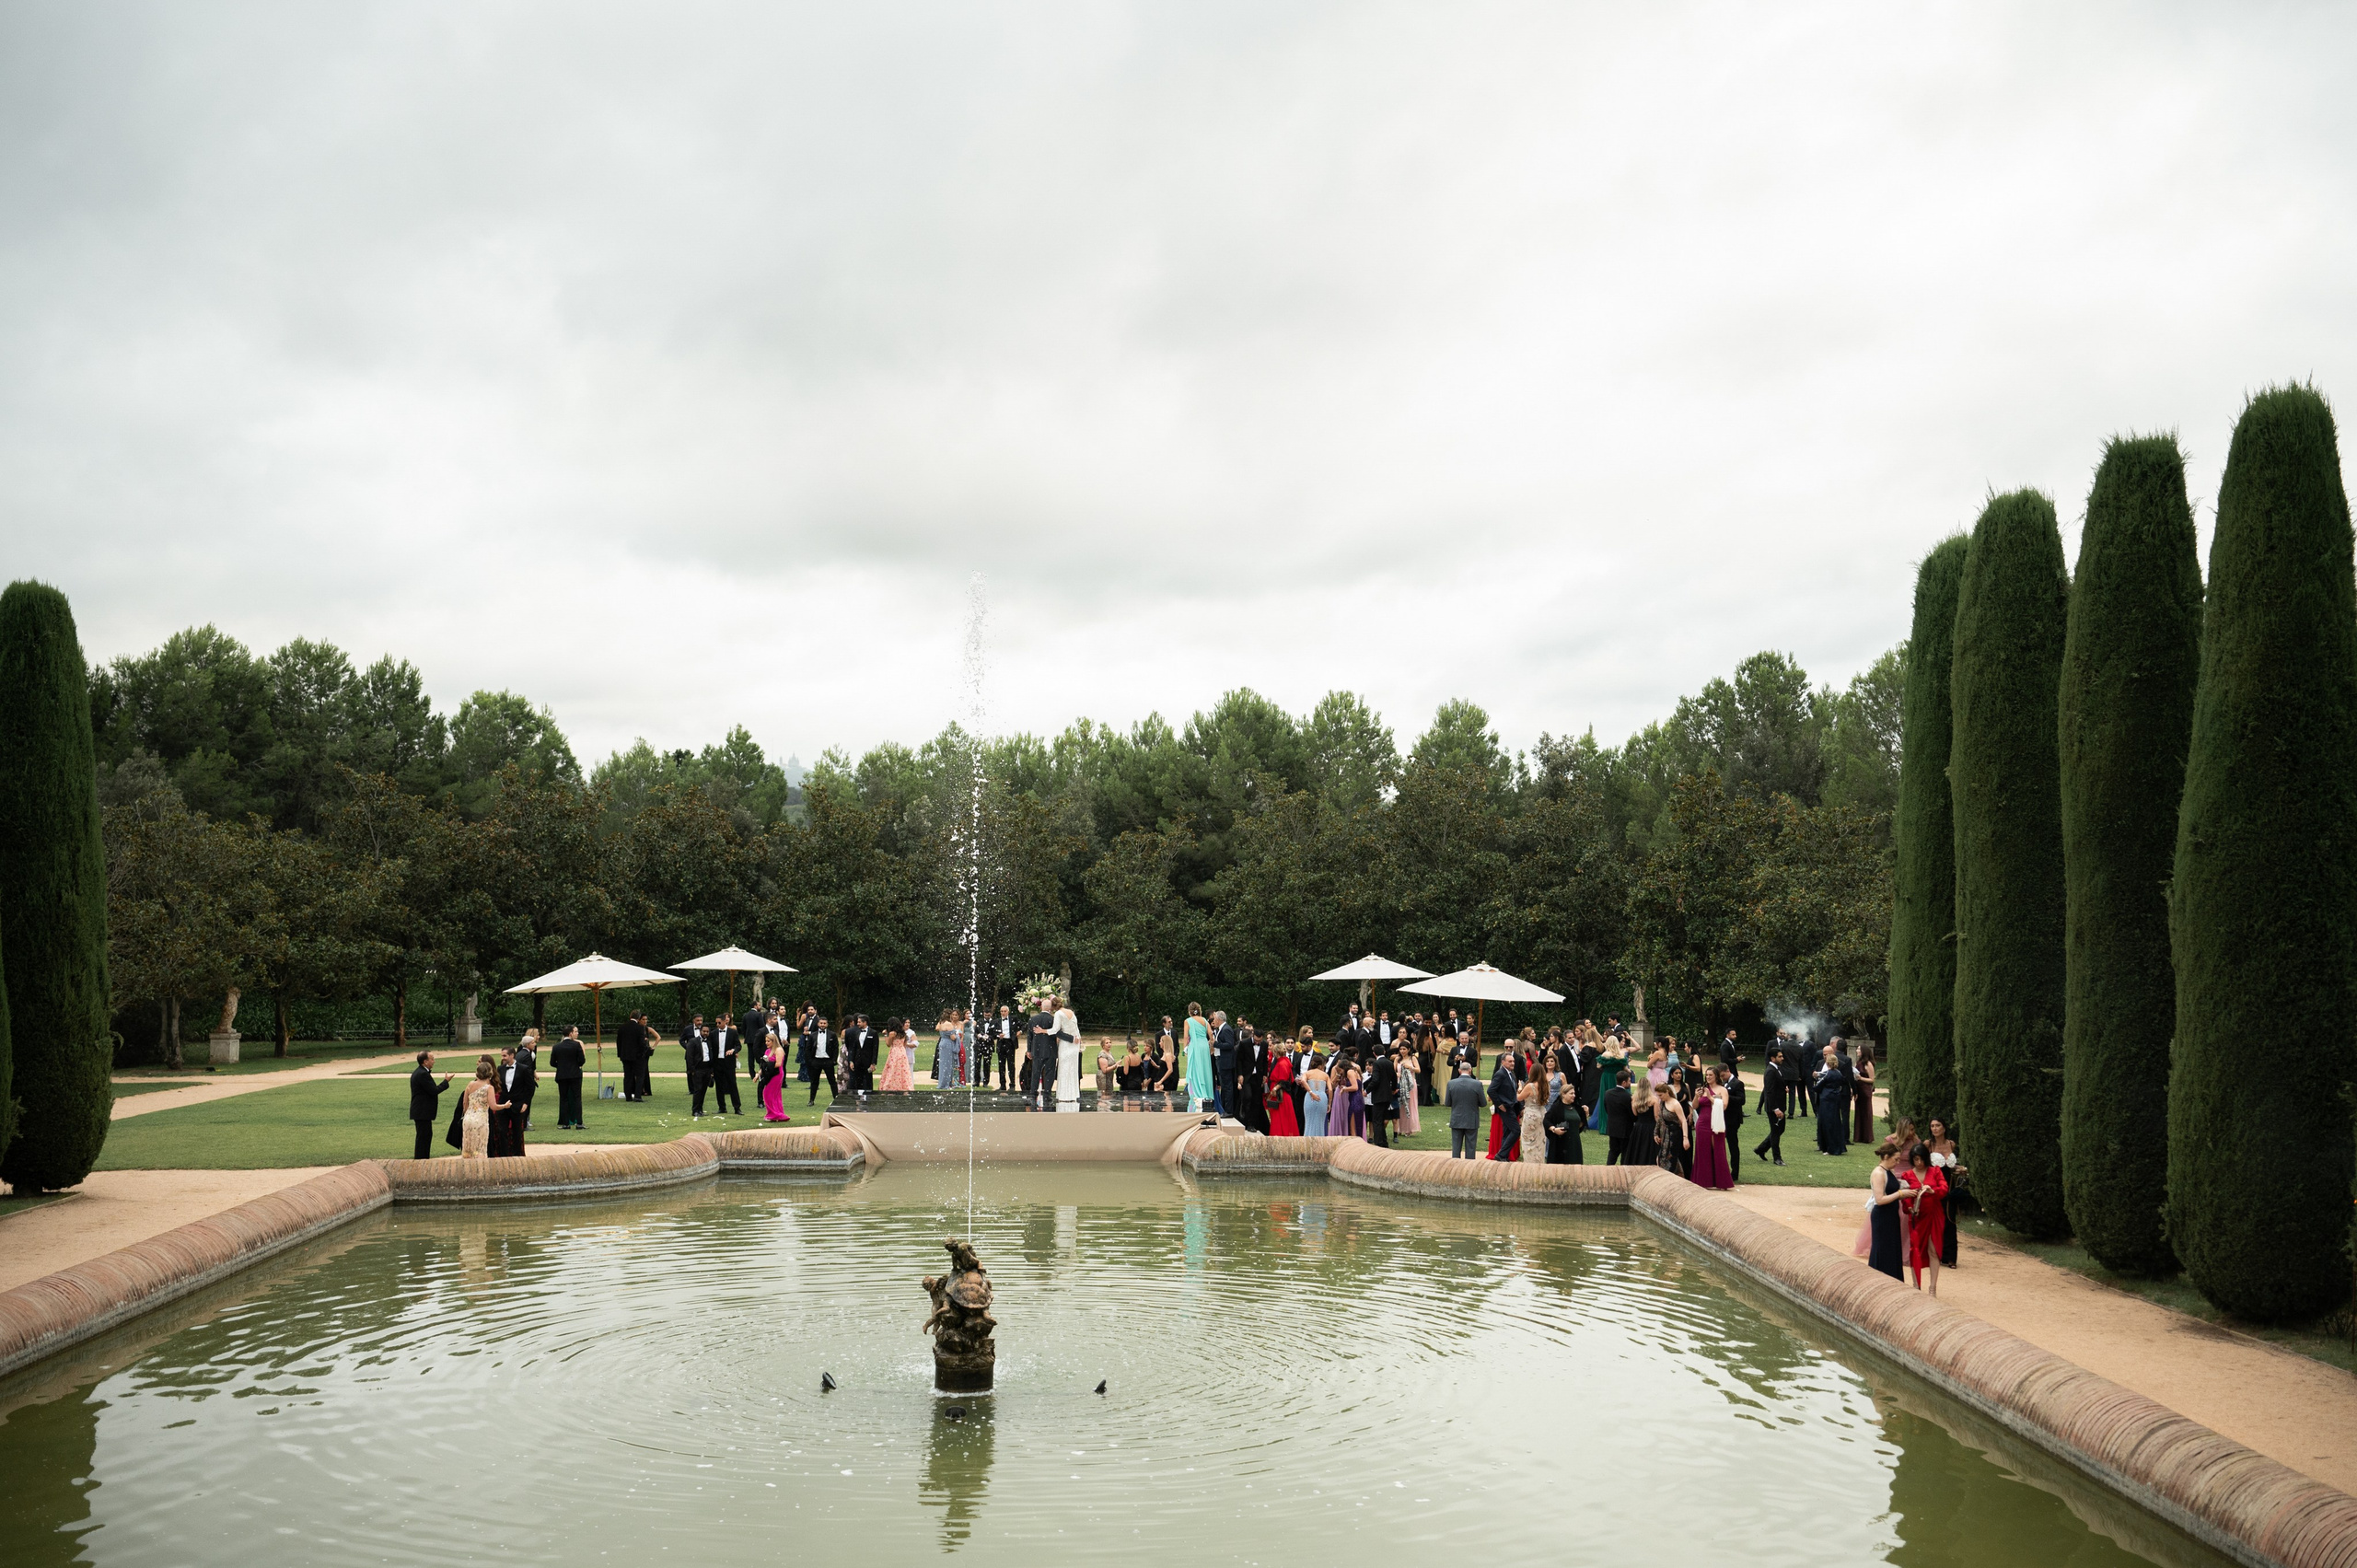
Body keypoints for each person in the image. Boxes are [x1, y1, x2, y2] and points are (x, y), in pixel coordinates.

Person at [1900, 1142, 1949, 1293]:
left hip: (1934, 1215)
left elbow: (1944, 1188)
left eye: (1921, 1159)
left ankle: (1933, 1288)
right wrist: (1909, 1207)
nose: (1919, 1163)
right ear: (1912, 1160)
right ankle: (1916, 1286)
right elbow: (1905, 1198)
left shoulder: (1935, 1171)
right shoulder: (1906, 1175)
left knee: (1933, 1250)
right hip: (1917, 1217)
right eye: (1916, 1160)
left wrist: (1932, 1190)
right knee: (1916, 1249)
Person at [1865, 1139, 1910, 1280]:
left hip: (1891, 1215)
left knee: (1892, 1248)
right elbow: (1880, 1199)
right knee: (1882, 1248)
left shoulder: (1888, 1171)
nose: (1898, 1163)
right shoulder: (1879, 1173)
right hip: (1882, 1216)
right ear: (1886, 1157)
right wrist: (1900, 1194)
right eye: (1896, 1159)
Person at [1928, 1119, 1966, 1268]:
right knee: (1934, 1221)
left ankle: (1950, 1257)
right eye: (1932, 1126)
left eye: (1938, 1126)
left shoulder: (1951, 1144)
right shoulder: (1928, 1145)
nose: (1935, 1129)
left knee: (1950, 1220)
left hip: (1949, 1186)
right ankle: (1933, 1254)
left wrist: (1958, 1168)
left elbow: (1949, 1166)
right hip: (1934, 1187)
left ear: (1944, 1128)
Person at [1689, 1068, 1734, 1189]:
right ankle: (1704, 1181)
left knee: (1718, 1150)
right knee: (1703, 1151)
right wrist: (1696, 1096)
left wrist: (1710, 1097)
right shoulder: (1702, 1090)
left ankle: (1722, 1182)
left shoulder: (1722, 1089)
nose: (1708, 1077)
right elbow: (1694, 1106)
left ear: (1716, 1076)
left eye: (1710, 1075)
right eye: (1706, 1075)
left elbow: (1724, 1106)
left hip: (1716, 1123)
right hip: (1703, 1123)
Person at [408, 1051, 451, 1159]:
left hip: (421, 1112)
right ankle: (421, 1161)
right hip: (422, 1112)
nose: (434, 1061)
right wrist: (446, 1081)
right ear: (425, 1062)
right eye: (432, 1059)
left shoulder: (419, 1072)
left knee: (424, 1137)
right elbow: (434, 1090)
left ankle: (422, 1160)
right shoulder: (422, 1074)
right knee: (423, 1138)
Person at [460, 1058, 505, 1159]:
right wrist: (504, 1106)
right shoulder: (489, 1088)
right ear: (490, 1073)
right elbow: (493, 1106)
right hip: (480, 1119)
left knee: (468, 1147)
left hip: (468, 1118)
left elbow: (465, 1102)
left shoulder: (470, 1084)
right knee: (480, 1147)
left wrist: (467, 1113)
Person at [1755, 1046, 1792, 1166]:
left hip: (1779, 1106)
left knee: (1780, 1129)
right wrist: (1775, 1109)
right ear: (1773, 1058)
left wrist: (1783, 1089)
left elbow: (1775, 1086)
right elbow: (1769, 1091)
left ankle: (1761, 1149)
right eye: (1780, 1056)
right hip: (1774, 1108)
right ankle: (1777, 1158)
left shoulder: (1776, 1069)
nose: (1782, 1058)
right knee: (1776, 1132)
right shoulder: (1771, 1071)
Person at [1814, 1044, 1852, 1155]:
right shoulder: (1839, 1074)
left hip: (1826, 1100)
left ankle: (1829, 1147)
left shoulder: (1828, 1075)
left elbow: (1817, 1087)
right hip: (1835, 1099)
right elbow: (1844, 1082)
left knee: (1826, 1124)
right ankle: (1837, 1146)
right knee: (1835, 1123)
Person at [1445, 1061, 1485, 1159]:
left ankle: (1455, 1168)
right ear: (1470, 1070)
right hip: (1471, 1119)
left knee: (1456, 1147)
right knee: (1471, 1147)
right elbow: (1483, 1103)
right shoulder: (1477, 1084)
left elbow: (1447, 1103)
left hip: (1456, 1118)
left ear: (1459, 1071)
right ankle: (1469, 1169)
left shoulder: (1451, 1083)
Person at [552, 1026, 587, 1129]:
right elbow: (582, 1060)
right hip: (575, 1075)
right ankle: (579, 1123)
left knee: (564, 1099)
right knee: (577, 1098)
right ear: (571, 1033)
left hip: (562, 1075)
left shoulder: (556, 1047)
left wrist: (562, 1066)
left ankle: (566, 1123)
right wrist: (575, 1066)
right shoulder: (576, 1045)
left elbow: (552, 1062)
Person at [1183, 1004, 1215, 1114]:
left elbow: (1186, 1037)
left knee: (1195, 1069)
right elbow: (1211, 1036)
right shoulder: (1205, 1021)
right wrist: (1211, 1047)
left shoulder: (1188, 1021)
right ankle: (1205, 1092)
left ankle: (1196, 1093)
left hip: (1194, 1046)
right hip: (1204, 1046)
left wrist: (1185, 1049)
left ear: (1189, 1011)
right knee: (1205, 1068)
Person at [1486, 1055, 1520, 1160]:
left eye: (1513, 1061)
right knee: (1516, 1130)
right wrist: (1499, 1105)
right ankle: (1501, 1155)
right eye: (1510, 1061)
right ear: (1503, 1062)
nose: (1512, 1063)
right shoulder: (1500, 1074)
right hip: (1505, 1108)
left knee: (1508, 1132)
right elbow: (1490, 1090)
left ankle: (1503, 1156)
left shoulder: (1511, 1074)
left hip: (1512, 1107)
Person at [1542, 1076, 1583, 1164]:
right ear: (1563, 1094)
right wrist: (1554, 1129)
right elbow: (1546, 1120)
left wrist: (1585, 1114)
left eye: (1574, 1093)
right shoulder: (1556, 1107)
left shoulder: (1576, 1107)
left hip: (1574, 1143)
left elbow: (1580, 1124)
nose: (1574, 1096)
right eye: (1571, 1093)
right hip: (1561, 1144)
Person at [710, 1016, 744, 1114]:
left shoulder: (732, 1032)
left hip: (728, 1062)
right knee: (719, 1086)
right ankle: (722, 1107)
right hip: (717, 1063)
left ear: (725, 1022)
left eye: (719, 1023)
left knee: (732, 1085)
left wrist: (733, 1051)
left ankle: (737, 1108)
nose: (717, 1025)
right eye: (716, 1023)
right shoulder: (713, 1033)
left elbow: (738, 1046)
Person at [1364, 1048, 1399, 1146]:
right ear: (1384, 1052)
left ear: (1374, 1053)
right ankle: (1384, 1142)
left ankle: (1379, 1143)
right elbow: (1394, 1077)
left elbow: (1375, 1080)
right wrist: (1393, 1088)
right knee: (1382, 1118)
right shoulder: (1389, 1063)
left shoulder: (1376, 1063)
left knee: (1377, 1120)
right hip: (1388, 1095)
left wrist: (1366, 1090)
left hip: (1379, 1095)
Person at [799, 1015, 836, 1105]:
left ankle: (836, 1099)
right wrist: (810, 1061)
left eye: (824, 1023)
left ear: (827, 1024)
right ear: (818, 1024)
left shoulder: (832, 1034)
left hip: (828, 1061)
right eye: (821, 1023)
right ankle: (811, 1100)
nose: (823, 1025)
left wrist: (833, 1061)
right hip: (816, 1061)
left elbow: (835, 1048)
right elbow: (808, 1049)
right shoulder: (813, 1035)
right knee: (814, 1082)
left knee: (832, 1081)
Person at [616, 1012, 651, 1101]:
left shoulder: (622, 1027)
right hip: (637, 1056)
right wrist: (643, 1053)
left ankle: (628, 1096)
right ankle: (637, 1096)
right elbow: (642, 1044)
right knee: (640, 1075)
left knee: (627, 1076)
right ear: (638, 1018)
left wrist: (620, 1054)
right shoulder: (639, 1028)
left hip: (625, 1056)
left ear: (630, 1016)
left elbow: (618, 1043)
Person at [1655, 1086, 1689, 1177]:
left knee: (1671, 1158)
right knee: (1662, 1157)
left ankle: (1670, 1177)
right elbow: (1660, 1119)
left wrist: (1685, 1138)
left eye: (1661, 1095)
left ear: (1667, 1092)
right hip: (1665, 1135)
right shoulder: (1662, 1102)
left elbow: (1684, 1121)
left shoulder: (1675, 1104)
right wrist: (1656, 1133)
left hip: (1674, 1136)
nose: (1659, 1097)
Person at [1600, 1071, 1633, 1164]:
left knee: (1613, 1152)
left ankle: (1609, 1171)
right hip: (1625, 1130)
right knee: (1625, 1153)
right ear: (1624, 1082)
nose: (1630, 1083)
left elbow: (1606, 1109)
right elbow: (1632, 1114)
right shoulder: (1627, 1097)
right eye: (1629, 1081)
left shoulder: (1608, 1093)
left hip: (1612, 1128)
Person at [1626, 1074, 1658, 1167]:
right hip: (1651, 1126)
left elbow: (1635, 1114)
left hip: (1639, 1127)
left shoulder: (1634, 1099)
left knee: (1638, 1148)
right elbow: (1656, 1116)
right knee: (1649, 1149)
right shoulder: (1654, 1100)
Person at [759, 1027, 790, 1121]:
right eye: (766, 1041)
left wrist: (768, 1066)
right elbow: (764, 1065)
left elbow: (778, 1064)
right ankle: (776, 1114)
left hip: (777, 1074)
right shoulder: (767, 1051)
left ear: (773, 1041)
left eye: (768, 1041)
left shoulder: (779, 1050)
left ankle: (773, 1114)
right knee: (773, 1095)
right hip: (769, 1074)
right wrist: (758, 1074)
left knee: (768, 1093)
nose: (766, 1043)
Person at [1852, 1043, 1879, 1144]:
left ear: (1863, 1051)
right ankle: (1859, 1136)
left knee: (1866, 1112)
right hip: (1859, 1090)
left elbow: (1872, 1079)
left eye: (1859, 1049)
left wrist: (1861, 1078)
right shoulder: (1858, 1062)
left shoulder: (1868, 1064)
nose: (1857, 1051)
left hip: (1865, 1090)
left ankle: (1867, 1136)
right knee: (1859, 1112)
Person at [1518, 1070, 1546, 1165]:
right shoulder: (1546, 1086)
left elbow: (1519, 1098)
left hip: (1531, 1114)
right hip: (1541, 1113)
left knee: (1528, 1142)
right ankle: (1539, 1163)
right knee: (1539, 1141)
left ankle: (1529, 1165)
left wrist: (1519, 1088)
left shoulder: (1530, 1086)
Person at [881, 1018, 916, 1092]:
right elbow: (905, 1044)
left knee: (893, 1069)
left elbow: (888, 1044)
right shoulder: (903, 1033)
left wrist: (885, 1035)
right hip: (902, 1052)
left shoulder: (892, 1033)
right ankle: (904, 1086)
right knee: (903, 1070)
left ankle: (892, 1086)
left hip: (895, 1051)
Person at [1303, 1053, 1332, 1136]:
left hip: (1309, 1097)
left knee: (1308, 1121)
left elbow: (1303, 1081)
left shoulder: (1307, 1073)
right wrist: (1329, 1103)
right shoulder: (1325, 1075)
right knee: (1320, 1122)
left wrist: (1311, 1092)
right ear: (1321, 1065)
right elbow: (1330, 1090)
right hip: (1322, 1097)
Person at [1395, 1049, 1421, 1137]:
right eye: (1401, 1049)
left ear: (1408, 1049)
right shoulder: (1397, 1059)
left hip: (1410, 1083)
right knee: (1400, 1105)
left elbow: (1418, 1070)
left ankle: (1409, 1129)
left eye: (1404, 1049)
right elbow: (1393, 1070)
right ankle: (1399, 1128)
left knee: (1409, 1105)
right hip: (1399, 1083)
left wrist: (1410, 1067)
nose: (1402, 1051)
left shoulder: (1412, 1058)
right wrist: (1396, 1074)